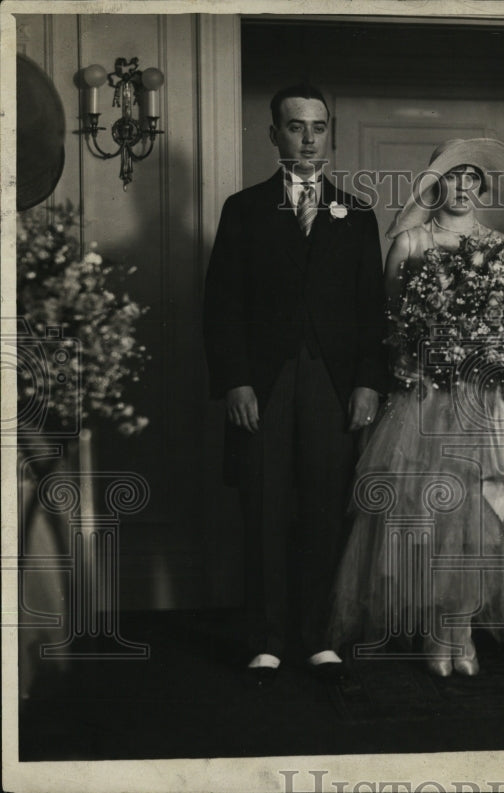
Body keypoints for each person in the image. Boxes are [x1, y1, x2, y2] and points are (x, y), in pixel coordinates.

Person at [328, 138, 504, 677]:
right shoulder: (409, 242)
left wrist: (492, 353)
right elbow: (388, 325)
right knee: (430, 517)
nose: (463, 187)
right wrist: (425, 356)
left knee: (481, 516)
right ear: (436, 183)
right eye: (453, 177)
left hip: (482, 401)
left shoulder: (500, 247)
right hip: (427, 395)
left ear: (482, 185)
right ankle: (435, 633)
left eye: (472, 178)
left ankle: (462, 631)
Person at [202, 83, 389, 687]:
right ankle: (264, 638)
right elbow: (222, 306)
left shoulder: (357, 213)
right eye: (295, 127)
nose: (308, 139)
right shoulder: (243, 209)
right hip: (264, 382)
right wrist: (235, 383)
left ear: (328, 132)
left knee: (324, 509)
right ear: (274, 135)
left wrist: (367, 383)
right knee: (262, 505)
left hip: (333, 385)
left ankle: (317, 636)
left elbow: (372, 311)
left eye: (318, 127)